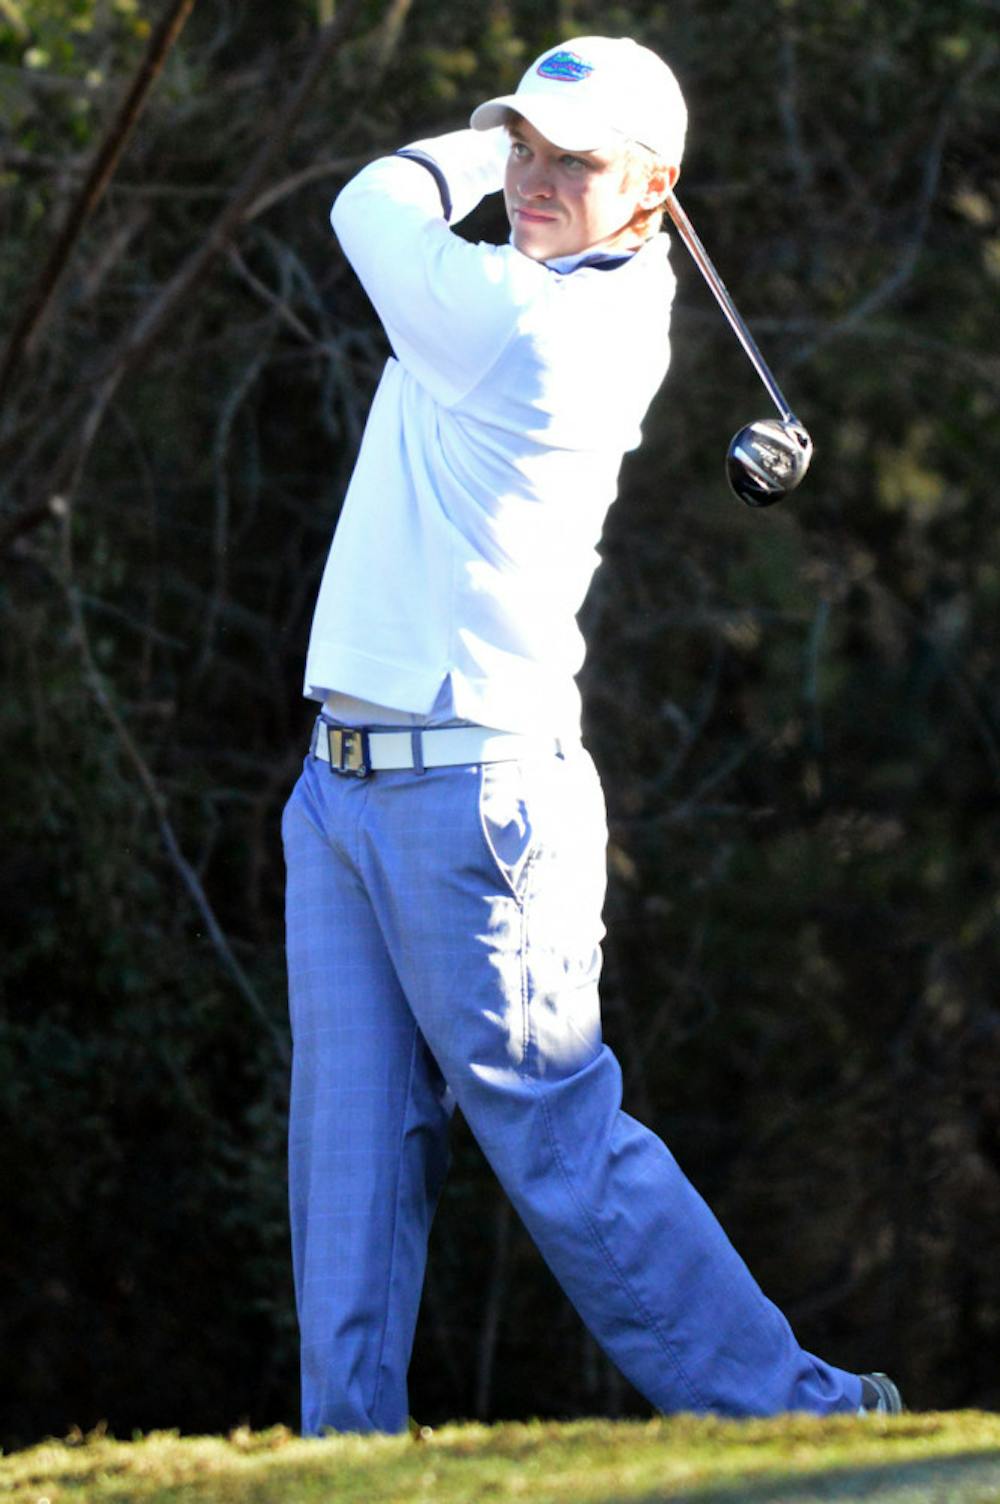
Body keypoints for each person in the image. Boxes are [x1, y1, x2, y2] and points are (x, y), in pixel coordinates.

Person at [282, 35, 902, 1435]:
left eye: (577, 161)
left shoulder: (523, 318)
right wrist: (513, 144)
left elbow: (364, 203)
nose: (538, 178)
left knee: (557, 1143)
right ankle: (341, 1456)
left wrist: (467, 137)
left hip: (472, 800)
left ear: (652, 192)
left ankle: (798, 1415)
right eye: (527, 149)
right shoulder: (544, 285)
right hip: (342, 789)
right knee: (345, 1165)